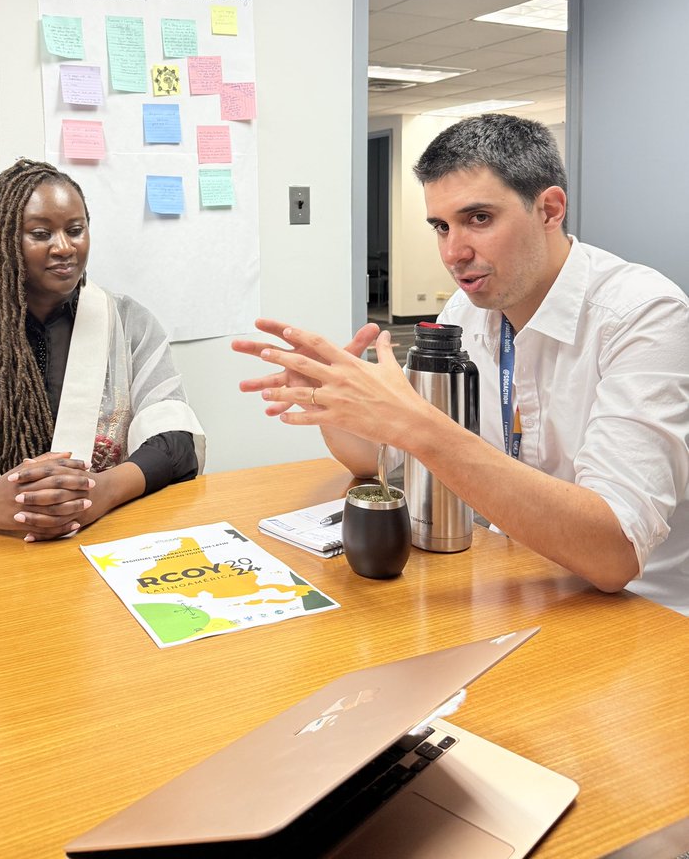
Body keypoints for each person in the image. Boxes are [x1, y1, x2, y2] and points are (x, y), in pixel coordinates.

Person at [233, 114, 689, 615]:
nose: (453, 252)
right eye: (441, 227)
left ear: (549, 210)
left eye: (479, 218)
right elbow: (383, 459)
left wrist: (416, 425)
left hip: (638, 615)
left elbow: (612, 554)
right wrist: (333, 400)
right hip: (511, 581)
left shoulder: (644, 315)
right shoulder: (466, 312)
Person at [0, 158, 204, 541]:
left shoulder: (128, 323)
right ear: (3, 239)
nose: (64, 247)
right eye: (41, 234)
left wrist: (101, 490)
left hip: (102, 535)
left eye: (75, 230)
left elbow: (176, 441)